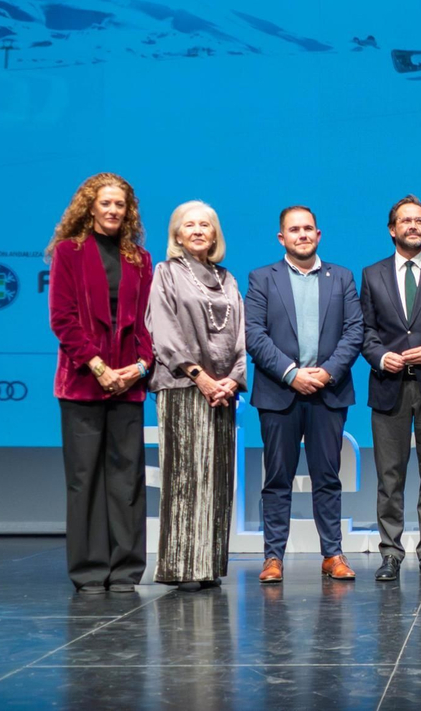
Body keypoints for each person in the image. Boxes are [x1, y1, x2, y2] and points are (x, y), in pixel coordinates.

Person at [244, 206, 364, 583]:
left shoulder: (341, 277)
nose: (302, 235)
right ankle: (273, 558)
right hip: (280, 392)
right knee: (277, 478)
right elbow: (253, 334)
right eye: (294, 230)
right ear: (282, 238)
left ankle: (332, 554)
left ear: (319, 234)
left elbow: (354, 332)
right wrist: (292, 373)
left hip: (328, 392)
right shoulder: (262, 278)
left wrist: (326, 372)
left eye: (308, 229)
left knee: (327, 477)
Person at [46, 173, 153, 593]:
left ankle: (126, 569)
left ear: (128, 212)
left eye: (120, 204)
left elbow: (146, 324)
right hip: (82, 384)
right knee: (84, 478)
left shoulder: (139, 259)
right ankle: (89, 570)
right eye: (105, 203)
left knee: (127, 479)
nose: (113, 210)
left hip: (128, 383)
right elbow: (63, 319)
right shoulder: (68, 254)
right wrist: (98, 366)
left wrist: (140, 365)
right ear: (90, 206)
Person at [145, 200, 245, 588]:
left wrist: (233, 380)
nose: (199, 230)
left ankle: (208, 567)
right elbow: (163, 332)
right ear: (177, 234)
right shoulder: (166, 273)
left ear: (215, 234)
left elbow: (241, 336)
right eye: (190, 225)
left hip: (222, 392)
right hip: (183, 387)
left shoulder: (228, 278)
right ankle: (180, 566)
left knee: (217, 479)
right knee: (186, 478)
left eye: (206, 225)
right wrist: (200, 376)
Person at [360, 195, 421, 583]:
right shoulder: (371, 274)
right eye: (406, 221)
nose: (413, 226)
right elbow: (365, 331)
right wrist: (382, 357)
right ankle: (390, 552)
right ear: (392, 228)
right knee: (390, 477)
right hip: (389, 385)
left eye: (420, 221)